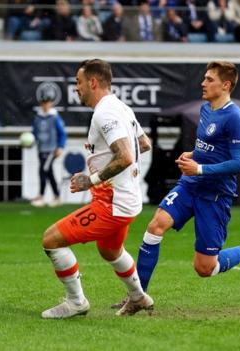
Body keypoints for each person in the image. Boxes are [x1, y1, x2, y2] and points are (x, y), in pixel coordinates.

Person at [121, 61, 240, 310]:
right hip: (190, 185)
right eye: (204, 78)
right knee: (155, 227)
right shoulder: (206, 109)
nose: (203, 83)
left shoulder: (235, 117)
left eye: (209, 79)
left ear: (225, 85)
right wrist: (193, 154)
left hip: (215, 194)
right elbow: (211, 148)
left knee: (206, 268)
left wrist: (201, 168)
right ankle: (138, 296)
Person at [40, 59, 153, 319]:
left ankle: (76, 302)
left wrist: (90, 180)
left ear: (92, 82)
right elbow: (143, 144)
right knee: (110, 250)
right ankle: (138, 297)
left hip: (111, 203)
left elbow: (125, 156)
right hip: (127, 199)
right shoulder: (122, 108)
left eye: (78, 82)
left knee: (51, 240)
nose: (76, 88)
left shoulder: (105, 113)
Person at [30, 95, 67, 208]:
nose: (46, 105)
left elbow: (62, 133)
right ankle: (57, 196)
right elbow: (34, 134)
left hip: (52, 150)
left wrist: (60, 147)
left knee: (43, 170)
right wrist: (30, 142)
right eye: (43, 103)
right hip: (41, 149)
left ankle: (41, 197)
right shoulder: (37, 118)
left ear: (51, 104)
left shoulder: (55, 117)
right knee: (49, 173)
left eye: (48, 103)